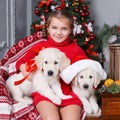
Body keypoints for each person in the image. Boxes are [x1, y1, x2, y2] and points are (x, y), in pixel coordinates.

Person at [16, 8, 88, 120]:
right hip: (44, 92)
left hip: (68, 92)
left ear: (70, 30)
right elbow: (20, 62)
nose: (59, 32)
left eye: (64, 29)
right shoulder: (40, 47)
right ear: (48, 28)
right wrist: (25, 70)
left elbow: (86, 67)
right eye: (54, 28)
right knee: (51, 118)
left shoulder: (76, 49)